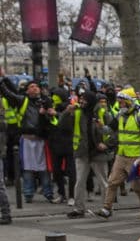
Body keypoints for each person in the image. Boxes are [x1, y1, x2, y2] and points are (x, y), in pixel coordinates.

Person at [0, 72, 56, 203]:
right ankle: (28, 194)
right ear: (27, 90)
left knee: (45, 169)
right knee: (28, 169)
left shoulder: (46, 101)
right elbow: (9, 94)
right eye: (31, 86)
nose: (34, 88)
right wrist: (2, 81)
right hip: (27, 138)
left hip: (42, 140)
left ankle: (48, 193)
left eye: (36, 86)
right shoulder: (23, 101)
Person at [96, 90, 140, 219]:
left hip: (135, 157)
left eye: (121, 100)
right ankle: (107, 208)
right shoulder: (120, 115)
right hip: (121, 155)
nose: (119, 103)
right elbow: (110, 130)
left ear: (128, 100)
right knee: (112, 181)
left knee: (137, 186)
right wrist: (101, 127)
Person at [63, 91, 111, 218]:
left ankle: (107, 207)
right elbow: (62, 125)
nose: (81, 101)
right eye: (81, 99)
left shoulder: (102, 112)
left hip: (98, 152)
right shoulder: (77, 112)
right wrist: (67, 112)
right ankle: (79, 209)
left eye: (84, 99)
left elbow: (113, 131)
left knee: (103, 182)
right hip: (82, 152)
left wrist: (107, 145)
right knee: (79, 181)